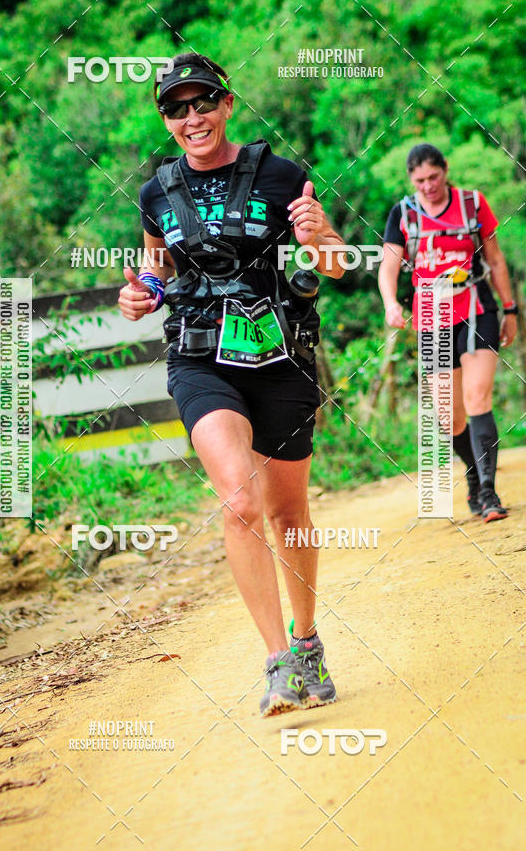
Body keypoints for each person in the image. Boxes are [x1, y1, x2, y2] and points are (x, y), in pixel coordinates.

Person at [119, 52, 346, 715]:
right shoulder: (158, 191)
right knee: (240, 502)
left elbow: (331, 263)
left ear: (227, 102)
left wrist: (318, 235)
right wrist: (141, 294)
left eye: (203, 102)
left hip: (282, 357)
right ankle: (277, 659)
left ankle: (307, 641)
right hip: (199, 357)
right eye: (176, 108)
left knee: (287, 512)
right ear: (165, 118)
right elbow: (155, 270)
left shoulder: (282, 175)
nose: (193, 117)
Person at [379, 143, 518, 522]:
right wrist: (392, 303)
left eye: (434, 177)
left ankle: (489, 494)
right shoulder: (403, 214)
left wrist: (510, 309)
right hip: (431, 316)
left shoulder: (472, 204)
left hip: (477, 306)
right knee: (449, 416)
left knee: (477, 396)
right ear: (411, 180)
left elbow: (495, 258)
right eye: (420, 180)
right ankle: (475, 477)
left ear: (445, 170)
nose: (428, 186)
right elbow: (388, 266)